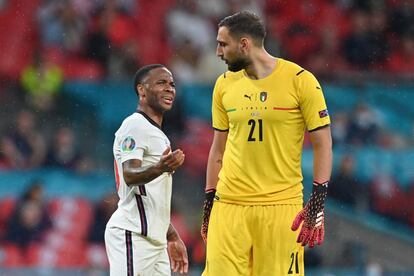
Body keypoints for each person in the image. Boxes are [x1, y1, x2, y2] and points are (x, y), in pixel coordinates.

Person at [200, 11, 332, 276]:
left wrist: (317, 202)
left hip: (280, 207)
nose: (218, 52)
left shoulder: (300, 81)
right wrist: (209, 203)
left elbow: (323, 145)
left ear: (245, 44)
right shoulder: (224, 85)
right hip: (230, 205)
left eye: (223, 44)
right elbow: (218, 149)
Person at [105, 64, 189, 275]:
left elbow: (152, 198)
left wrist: (171, 235)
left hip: (155, 240)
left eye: (172, 84)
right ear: (142, 90)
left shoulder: (158, 134)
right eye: (161, 83)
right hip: (133, 234)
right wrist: (161, 167)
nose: (170, 88)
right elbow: (130, 175)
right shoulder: (134, 126)